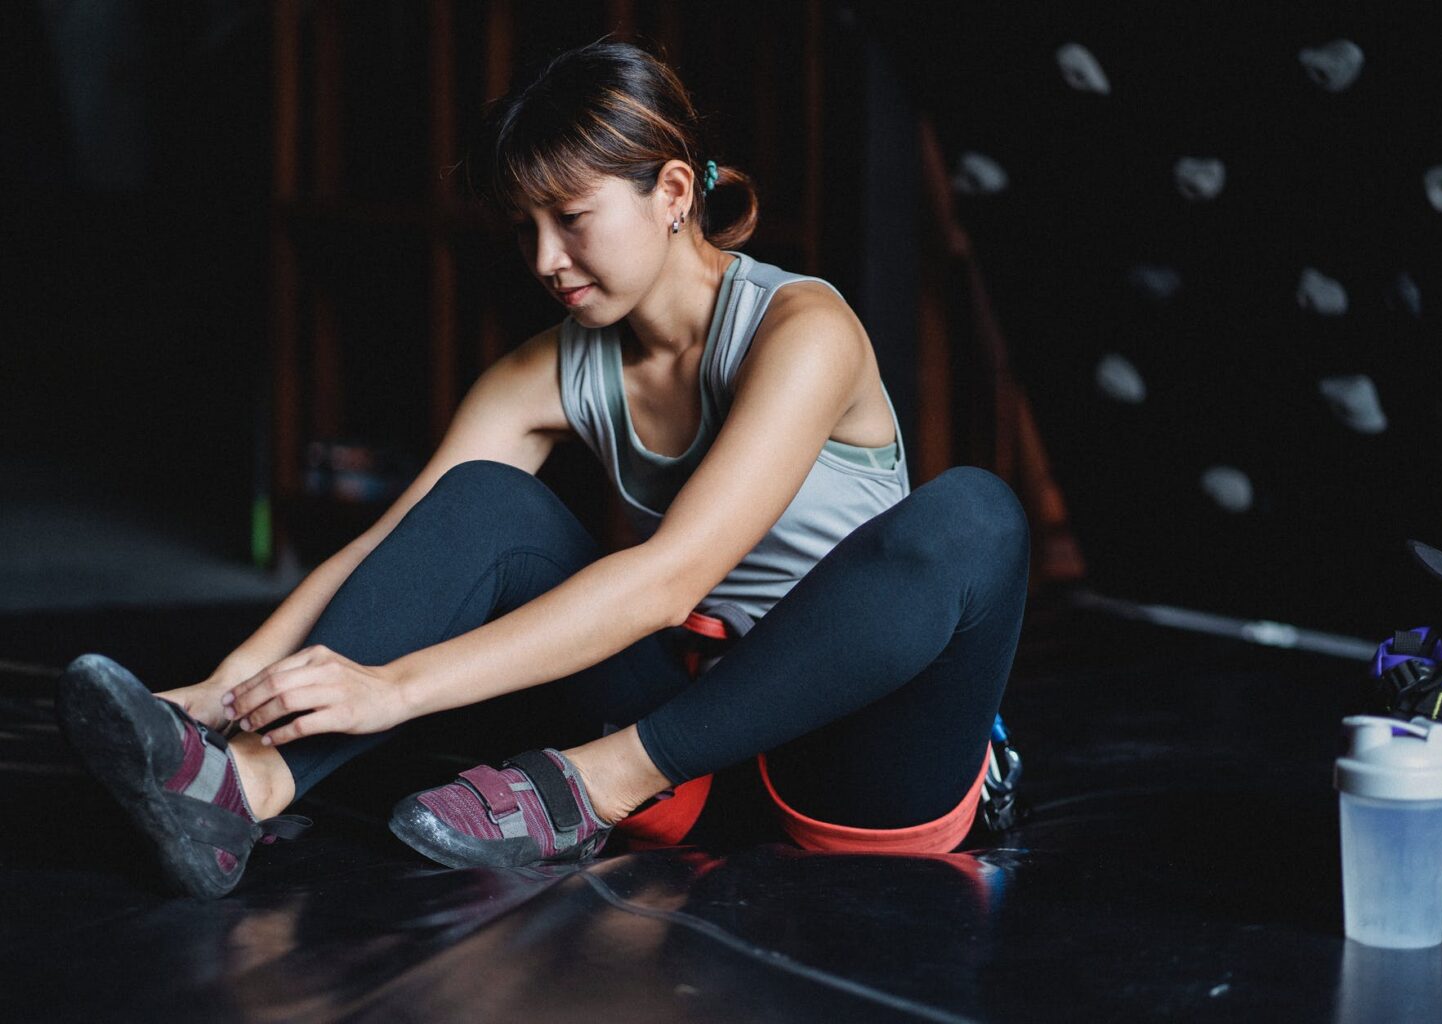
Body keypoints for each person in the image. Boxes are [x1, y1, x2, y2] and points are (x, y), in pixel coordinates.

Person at [54, 39, 1030, 900]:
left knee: (977, 516)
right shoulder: (550, 366)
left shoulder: (803, 331)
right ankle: (247, 794)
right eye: (523, 227)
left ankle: (596, 779)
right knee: (482, 500)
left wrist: (395, 687)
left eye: (570, 217)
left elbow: (668, 579)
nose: (544, 258)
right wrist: (231, 691)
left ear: (675, 193)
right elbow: (399, 542)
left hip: (849, 760)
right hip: (685, 753)